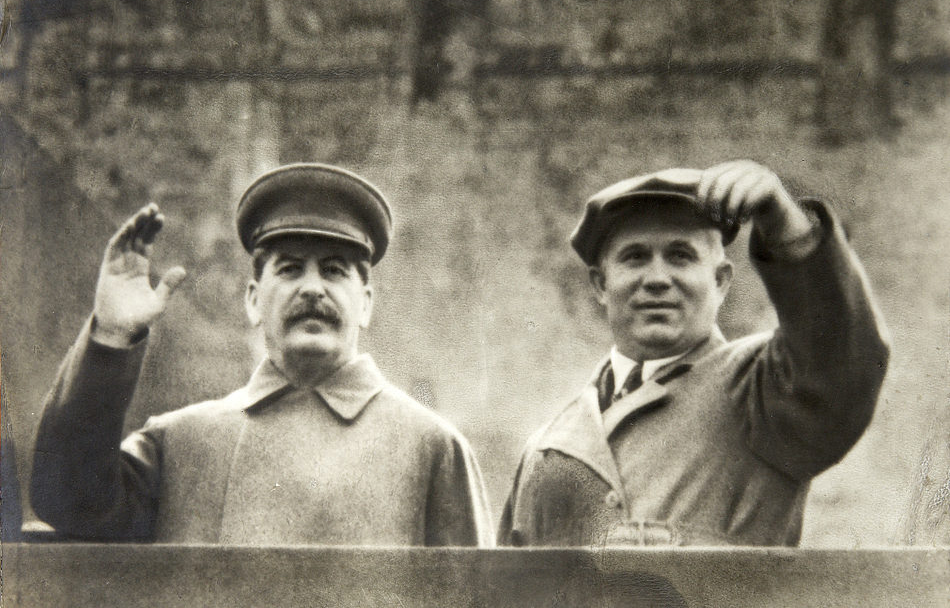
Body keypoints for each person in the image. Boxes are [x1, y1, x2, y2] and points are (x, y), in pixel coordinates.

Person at [31, 162, 493, 546]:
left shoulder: (433, 448)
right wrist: (110, 335)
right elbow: (67, 501)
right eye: (290, 269)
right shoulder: (181, 443)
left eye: (334, 271)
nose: (312, 288)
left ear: (366, 303)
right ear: (253, 299)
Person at [499, 160, 889, 546]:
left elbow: (842, 360)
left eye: (680, 256)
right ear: (601, 284)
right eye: (634, 257)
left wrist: (789, 229)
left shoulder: (763, 391)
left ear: (720, 281)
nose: (656, 280)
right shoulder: (548, 447)